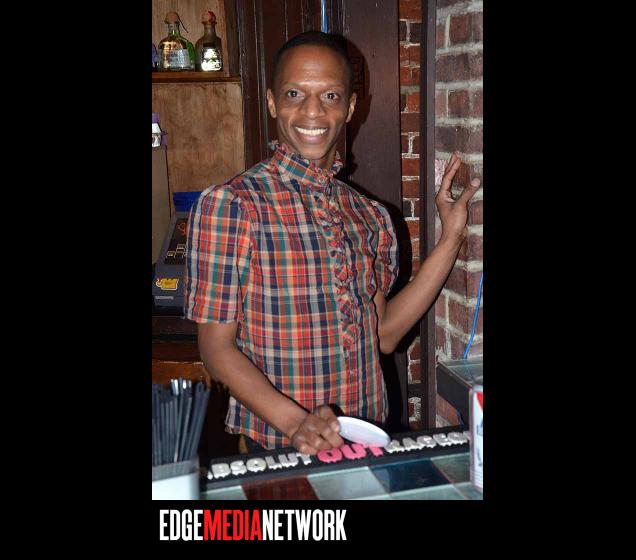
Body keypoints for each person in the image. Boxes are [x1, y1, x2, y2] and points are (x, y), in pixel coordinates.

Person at [184, 31, 480, 455]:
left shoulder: (369, 215)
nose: (312, 111)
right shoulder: (232, 205)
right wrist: (296, 423)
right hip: (281, 447)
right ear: (272, 102)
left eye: (330, 96)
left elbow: (385, 335)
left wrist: (450, 238)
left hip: (367, 438)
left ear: (350, 107)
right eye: (294, 94)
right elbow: (215, 348)